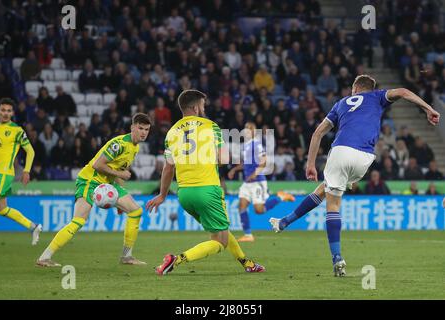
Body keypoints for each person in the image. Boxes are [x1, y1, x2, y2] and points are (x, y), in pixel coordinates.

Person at [269, 74, 440, 276]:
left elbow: (317, 133)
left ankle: (337, 258)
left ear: (356, 89)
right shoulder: (378, 96)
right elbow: (403, 92)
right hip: (366, 158)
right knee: (326, 188)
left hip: (341, 151)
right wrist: (428, 108)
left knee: (333, 205)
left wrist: (310, 164)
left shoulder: (341, 104)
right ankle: (284, 222)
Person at [146, 89, 265, 275]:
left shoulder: (171, 133)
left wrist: (162, 195)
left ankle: (246, 263)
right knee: (219, 242)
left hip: (184, 194)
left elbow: (168, 168)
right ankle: (175, 260)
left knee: (220, 229)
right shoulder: (211, 126)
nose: (204, 108)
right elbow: (222, 159)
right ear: (195, 107)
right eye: (202, 105)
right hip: (208, 190)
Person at [36, 113, 152, 267]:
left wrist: (118, 197)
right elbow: (98, 165)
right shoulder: (119, 144)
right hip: (89, 181)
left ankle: (127, 256)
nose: (143, 132)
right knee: (78, 221)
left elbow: (117, 171)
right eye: (140, 128)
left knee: (135, 211)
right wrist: (120, 174)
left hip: (107, 184)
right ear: (132, 127)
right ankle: (44, 257)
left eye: (147, 129)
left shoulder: (135, 148)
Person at [227, 121, 294, 242]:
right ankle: (248, 235)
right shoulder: (246, 146)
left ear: (254, 132)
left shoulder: (256, 144)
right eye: (246, 128)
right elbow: (246, 163)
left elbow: (263, 161)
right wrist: (235, 169)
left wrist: (254, 173)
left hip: (257, 181)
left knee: (259, 210)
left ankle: (281, 197)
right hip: (247, 183)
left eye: (250, 128)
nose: (247, 130)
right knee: (242, 206)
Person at [0, 98, 41, 244]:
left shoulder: (17, 131)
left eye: (9, 111)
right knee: (2, 209)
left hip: (3, 173)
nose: (5, 113)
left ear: (12, 113)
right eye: (3, 110)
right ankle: (34, 227)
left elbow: (31, 151)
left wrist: (26, 171)